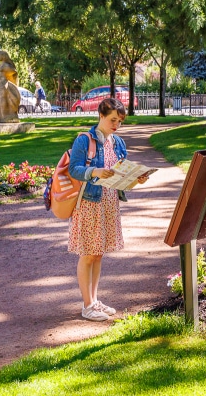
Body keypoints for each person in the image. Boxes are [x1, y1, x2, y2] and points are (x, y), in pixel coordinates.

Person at [67, 97, 148, 321]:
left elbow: (122, 176)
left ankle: (94, 301)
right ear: (101, 115)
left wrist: (136, 179)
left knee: (98, 253)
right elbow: (74, 169)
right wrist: (95, 171)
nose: (116, 125)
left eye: (120, 121)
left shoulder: (118, 142)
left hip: (109, 202)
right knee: (88, 254)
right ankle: (87, 305)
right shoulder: (85, 140)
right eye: (113, 119)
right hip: (90, 203)